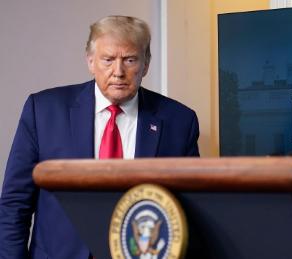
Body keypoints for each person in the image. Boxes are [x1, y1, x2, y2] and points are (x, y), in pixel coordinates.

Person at [0, 15, 199, 258]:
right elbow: (14, 204)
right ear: (90, 61)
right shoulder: (43, 111)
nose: (118, 72)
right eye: (108, 60)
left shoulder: (179, 121)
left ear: (146, 64)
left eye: (129, 60)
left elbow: (190, 211)